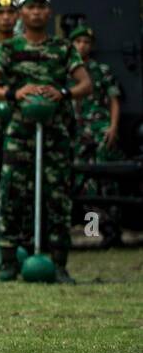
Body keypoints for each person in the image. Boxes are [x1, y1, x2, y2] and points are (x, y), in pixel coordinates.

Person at [0, 0, 90, 282]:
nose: (37, 12)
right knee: (12, 194)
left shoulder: (63, 48)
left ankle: (59, 262)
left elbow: (84, 84)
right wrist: (13, 93)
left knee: (57, 198)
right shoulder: (8, 49)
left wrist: (63, 92)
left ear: (48, 13)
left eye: (42, 7)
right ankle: (7, 261)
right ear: (22, 14)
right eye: (30, 8)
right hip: (19, 132)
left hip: (55, 131)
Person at [69, 25, 123, 245]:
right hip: (77, 134)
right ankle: (92, 231)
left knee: (104, 181)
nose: (82, 46)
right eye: (78, 41)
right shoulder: (66, 72)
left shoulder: (99, 70)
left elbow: (114, 99)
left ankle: (109, 232)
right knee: (84, 183)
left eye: (86, 42)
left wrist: (113, 127)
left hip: (99, 131)